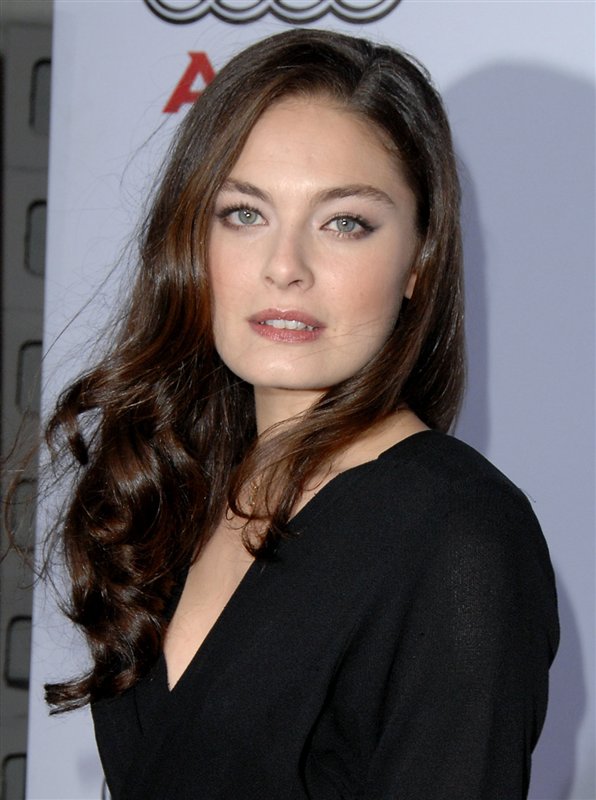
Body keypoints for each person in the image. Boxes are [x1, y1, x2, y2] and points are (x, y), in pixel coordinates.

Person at [42, 28, 558, 799]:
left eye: (344, 222)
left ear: (419, 260)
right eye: (244, 213)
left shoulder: (460, 533)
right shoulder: (180, 489)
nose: (285, 266)